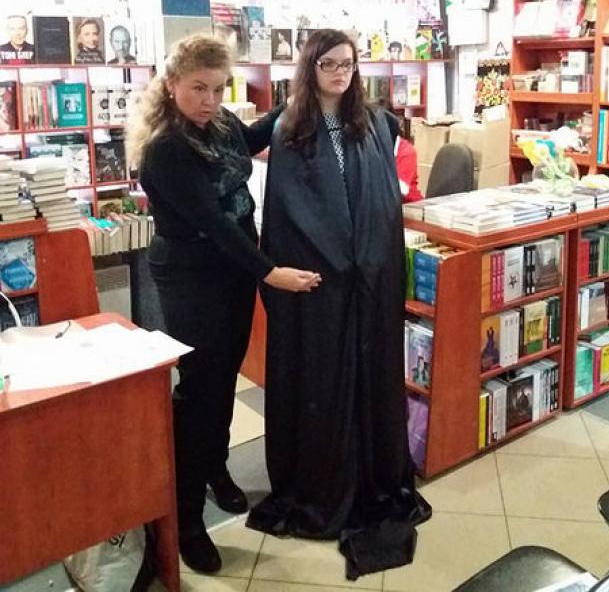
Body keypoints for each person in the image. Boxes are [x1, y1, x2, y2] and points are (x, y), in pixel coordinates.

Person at [127, 34, 320, 575]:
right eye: (198, 89)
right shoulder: (166, 148)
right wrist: (270, 271)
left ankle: (215, 468)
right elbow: (214, 224)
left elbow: (251, 138)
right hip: (193, 275)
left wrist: (297, 98)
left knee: (223, 379)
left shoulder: (219, 123)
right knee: (200, 392)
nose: (209, 100)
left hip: (231, 270)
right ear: (172, 84)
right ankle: (185, 520)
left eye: (217, 88)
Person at [247, 29, 431, 580]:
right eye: (328, 64)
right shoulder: (290, 128)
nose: (339, 72)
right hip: (320, 282)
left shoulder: (373, 123)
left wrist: (369, 260)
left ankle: (374, 474)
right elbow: (289, 210)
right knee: (322, 381)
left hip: (369, 279)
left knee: (370, 377)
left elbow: (382, 203)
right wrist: (330, 260)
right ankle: (323, 481)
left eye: (347, 63)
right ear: (310, 68)